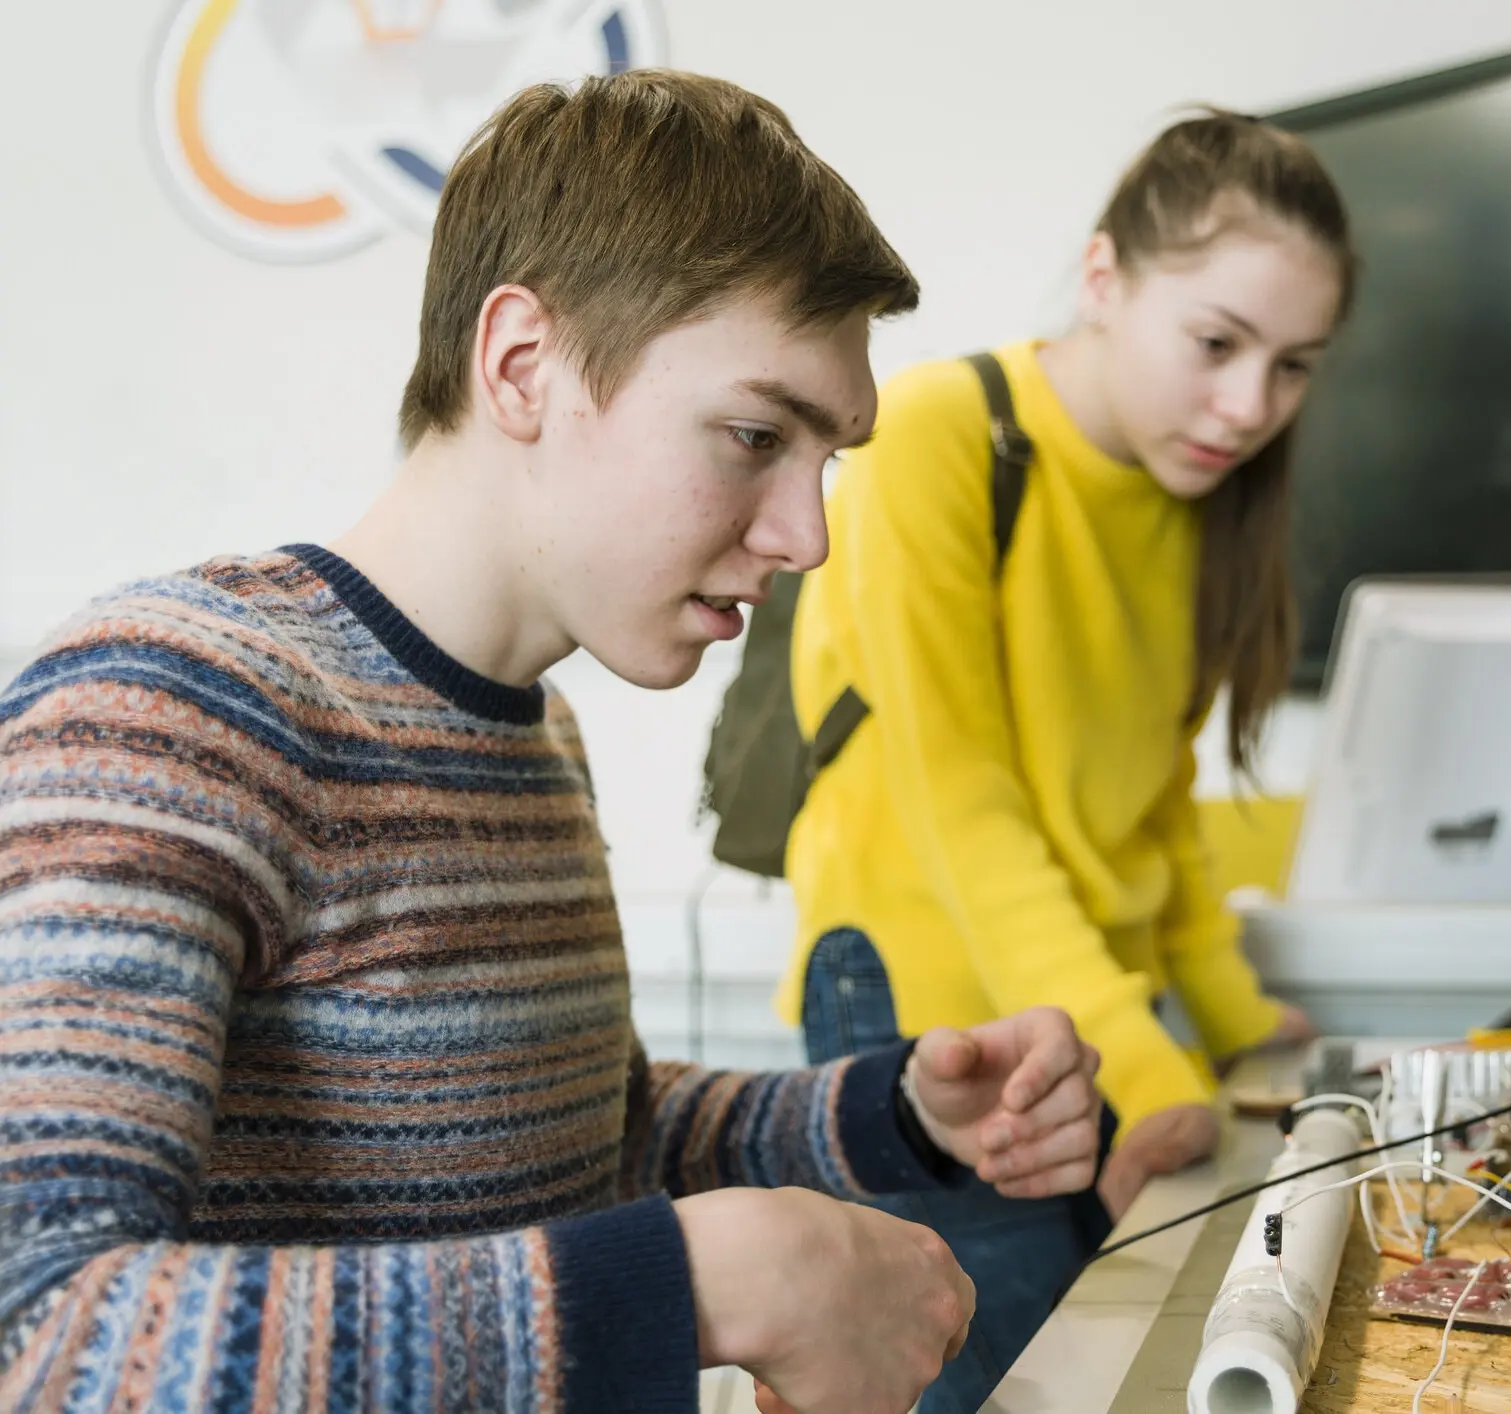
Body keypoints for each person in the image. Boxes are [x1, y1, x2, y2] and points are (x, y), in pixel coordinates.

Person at [0, 71, 1106, 1414]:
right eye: (757, 434)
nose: (806, 535)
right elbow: (44, 1334)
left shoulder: (541, 738)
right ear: (523, 362)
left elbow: (591, 1142)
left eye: (827, 458)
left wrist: (892, 1116)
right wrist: (709, 1282)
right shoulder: (168, 709)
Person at [779, 109, 1359, 1412]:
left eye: (1293, 365)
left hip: (1090, 999)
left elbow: (1153, 807)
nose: (1249, 405)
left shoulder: (1190, 497)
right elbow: (966, 809)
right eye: (1216, 342)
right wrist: (1151, 1074)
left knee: (1142, 1359)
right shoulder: (939, 433)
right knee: (1043, 1380)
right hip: (931, 1008)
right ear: (1104, 278)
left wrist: (1228, 1009)